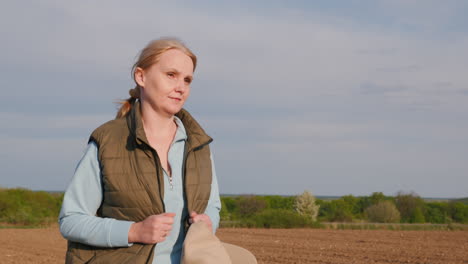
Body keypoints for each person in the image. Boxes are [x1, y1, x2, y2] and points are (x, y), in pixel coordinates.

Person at [59, 38, 222, 263]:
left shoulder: (199, 145)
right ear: (141, 76)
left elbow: (212, 207)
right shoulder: (107, 141)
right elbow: (71, 219)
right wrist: (134, 231)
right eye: (171, 75)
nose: (181, 87)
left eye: (187, 79)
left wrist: (207, 222)